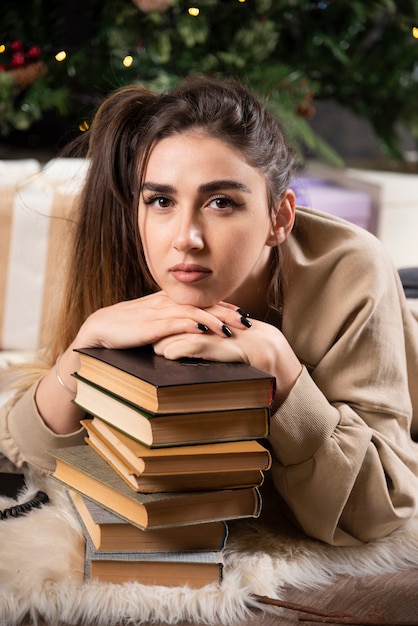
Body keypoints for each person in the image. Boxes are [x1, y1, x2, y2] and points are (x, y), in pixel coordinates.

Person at [1, 76, 418, 547]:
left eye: (221, 202)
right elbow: (24, 448)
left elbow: (380, 508)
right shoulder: (131, 259)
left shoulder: (351, 270)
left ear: (279, 217)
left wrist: (282, 373)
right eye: (161, 200)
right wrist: (82, 351)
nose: (186, 238)